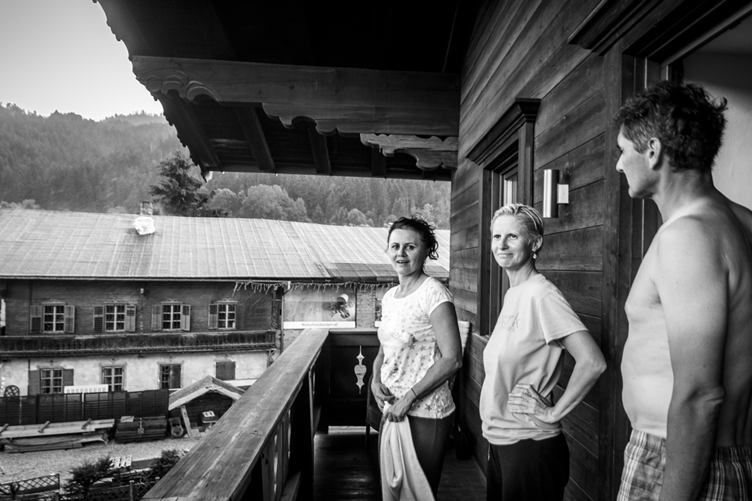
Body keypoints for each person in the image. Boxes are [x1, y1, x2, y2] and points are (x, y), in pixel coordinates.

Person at [616, 81, 752, 500]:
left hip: (677, 459)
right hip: (719, 454)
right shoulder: (743, 222)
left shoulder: (687, 236)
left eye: (623, 150)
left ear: (653, 151)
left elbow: (700, 395)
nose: (619, 164)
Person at [479, 203, 606, 501]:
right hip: (501, 441)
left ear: (535, 243)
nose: (502, 245)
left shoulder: (542, 294)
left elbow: (593, 362)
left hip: (530, 446)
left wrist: (553, 413)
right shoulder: (515, 293)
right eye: (497, 237)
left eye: (512, 236)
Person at [371, 216, 462, 499]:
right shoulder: (390, 296)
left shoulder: (434, 293)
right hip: (392, 408)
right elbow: (384, 348)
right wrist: (375, 381)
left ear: (426, 251)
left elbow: (452, 359)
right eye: (395, 246)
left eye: (410, 247)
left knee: (418, 494)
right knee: (394, 492)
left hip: (425, 411)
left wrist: (408, 398)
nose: (401, 253)